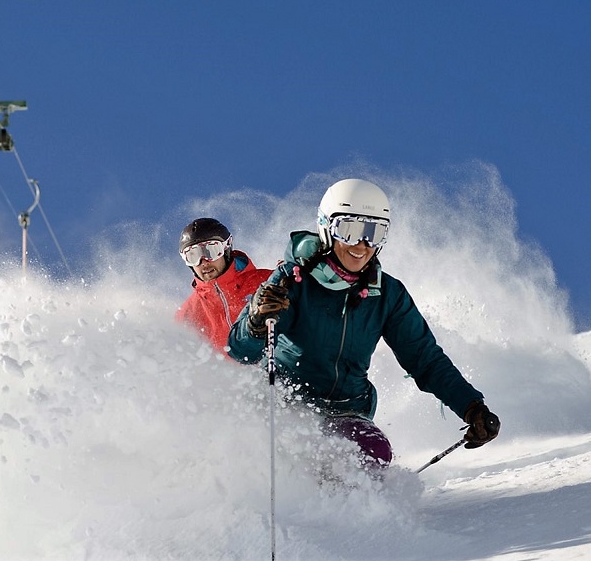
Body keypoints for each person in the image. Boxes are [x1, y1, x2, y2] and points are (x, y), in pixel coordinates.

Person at [227, 179, 500, 470]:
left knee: (372, 453)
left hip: (346, 408)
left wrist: (471, 406)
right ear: (326, 228)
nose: (362, 244)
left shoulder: (386, 295)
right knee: (288, 454)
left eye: (374, 232)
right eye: (350, 229)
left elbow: (424, 359)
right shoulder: (291, 282)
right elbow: (241, 351)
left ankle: (350, 512)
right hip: (283, 403)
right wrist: (256, 321)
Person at [176, 218, 273, 352]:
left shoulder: (268, 281)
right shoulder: (189, 313)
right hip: (224, 372)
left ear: (226, 247)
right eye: (193, 256)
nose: (203, 262)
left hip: (277, 367)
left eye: (211, 251)